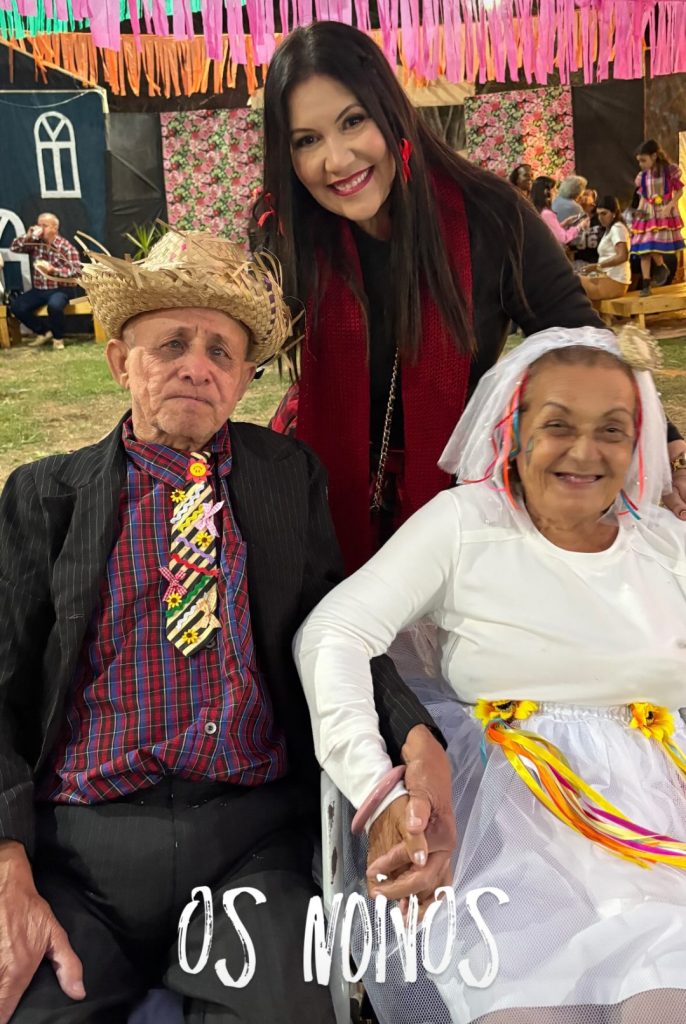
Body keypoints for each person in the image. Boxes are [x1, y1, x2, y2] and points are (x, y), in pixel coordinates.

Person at [0, 230, 452, 1024]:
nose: (196, 366)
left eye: (221, 351)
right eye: (170, 344)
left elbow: (335, 624)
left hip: (249, 844)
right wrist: (7, 859)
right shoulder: (45, 496)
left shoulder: (285, 477)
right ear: (120, 362)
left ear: (244, 378)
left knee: (287, 1012)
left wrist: (414, 732)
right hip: (80, 849)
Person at [295, 325, 686, 1024]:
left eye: (612, 430)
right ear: (514, 430)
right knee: (527, 1006)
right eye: (557, 425)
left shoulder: (665, 546)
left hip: (660, 834)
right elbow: (334, 633)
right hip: (506, 834)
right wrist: (377, 789)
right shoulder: (467, 525)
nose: (585, 452)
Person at [255, 21, 614, 575]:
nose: (338, 160)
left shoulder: (491, 215)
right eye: (307, 140)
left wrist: (668, 445)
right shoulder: (284, 229)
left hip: (452, 488)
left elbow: (582, 341)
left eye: (353, 121)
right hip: (316, 480)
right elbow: (234, 342)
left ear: (390, 112)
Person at [9, 213, 82, 351]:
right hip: (40, 289)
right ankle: (43, 331)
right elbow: (14, 248)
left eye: (45, 226)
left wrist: (54, 271)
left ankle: (58, 338)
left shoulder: (66, 247)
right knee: (17, 306)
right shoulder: (35, 243)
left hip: (60, 288)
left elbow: (76, 271)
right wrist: (28, 236)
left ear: (55, 228)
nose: (40, 228)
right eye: (39, 225)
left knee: (54, 306)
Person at [630, 138, 685, 296]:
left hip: (662, 211)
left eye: (643, 160)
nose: (641, 164)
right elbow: (643, 197)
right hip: (648, 212)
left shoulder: (669, 171)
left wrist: (671, 205)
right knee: (643, 249)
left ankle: (660, 267)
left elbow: (679, 191)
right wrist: (638, 215)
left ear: (654, 156)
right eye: (639, 161)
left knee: (652, 244)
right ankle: (646, 284)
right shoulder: (643, 176)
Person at [578, 195, 631, 301]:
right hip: (607, 277)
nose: (600, 218)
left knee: (572, 282)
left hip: (615, 281)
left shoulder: (617, 228)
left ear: (614, 213)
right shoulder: (610, 229)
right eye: (598, 214)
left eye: (604, 213)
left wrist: (597, 266)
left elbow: (622, 256)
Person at [531, 175, 587, 246]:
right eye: (554, 189)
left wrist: (564, 223)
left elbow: (550, 230)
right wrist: (579, 227)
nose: (556, 192)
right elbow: (563, 238)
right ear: (547, 192)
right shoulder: (547, 213)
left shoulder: (535, 209)